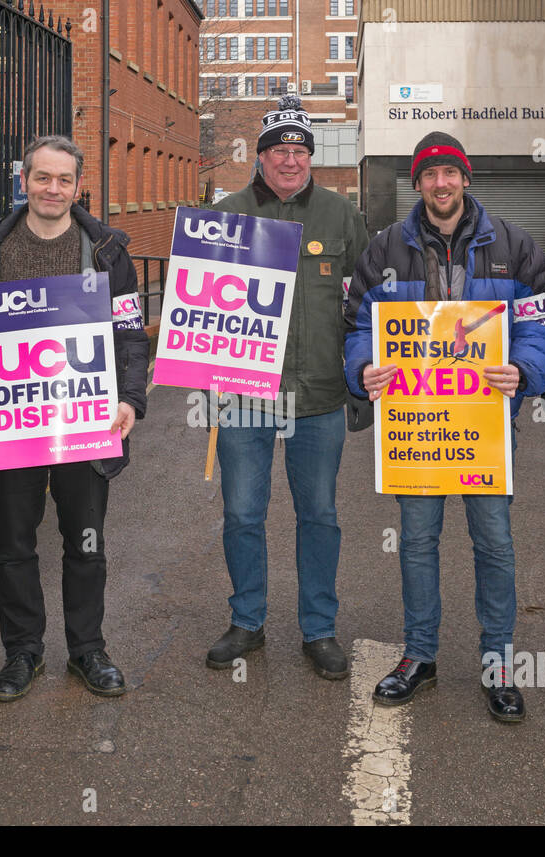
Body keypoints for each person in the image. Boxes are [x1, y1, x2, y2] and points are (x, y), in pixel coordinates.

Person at [343, 131, 545, 719]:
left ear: (466, 179)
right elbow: (360, 323)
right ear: (418, 183)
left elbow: (539, 326)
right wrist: (364, 367)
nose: (441, 183)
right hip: (415, 428)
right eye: (430, 174)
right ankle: (420, 656)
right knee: (416, 543)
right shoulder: (386, 247)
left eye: (450, 173)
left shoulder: (514, 245)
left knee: (494, 544)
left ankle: (499, 664)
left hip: (485, 427)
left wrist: (525, 367)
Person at [0, 135, 149, 702]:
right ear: (24, 181)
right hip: (11, 424)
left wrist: (131, 397)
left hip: (87, 422)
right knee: (14, 546)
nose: (52, 189)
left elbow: (129, 333)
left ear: (78, 186)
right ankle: (22, 652)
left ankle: (88, 650)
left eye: (64, 180)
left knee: (85, 544)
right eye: (42, 178)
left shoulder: (107, 251)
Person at [204, 96, 370, 680]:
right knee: (244, 513)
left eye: (300, 151)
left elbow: (368, 300)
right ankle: (247, 620)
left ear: (310, 158)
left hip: (320, 395)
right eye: (280, 151)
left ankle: (318, 630)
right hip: (245, 395)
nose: (291, 161)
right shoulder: (225, 214)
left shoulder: (340, 215)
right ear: (262, 157)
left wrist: (364, 369)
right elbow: (197, 305)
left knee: (319, 515)